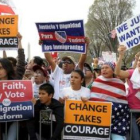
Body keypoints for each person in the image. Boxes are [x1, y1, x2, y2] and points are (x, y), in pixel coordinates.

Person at [91, 62, 130, 140]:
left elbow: (123, 103)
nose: (104, 70)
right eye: (102, 68)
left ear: (113, 70)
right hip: (100, 124)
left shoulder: (120, 84)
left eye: (107, 68)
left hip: (117, 123)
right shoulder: (96, 83)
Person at [115, 45, 140, 140]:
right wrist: (121, 55)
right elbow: (118, 73)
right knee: (136, 138)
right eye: (139, 60)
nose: (139, 63)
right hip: (131, 112)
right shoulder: (132, 73)